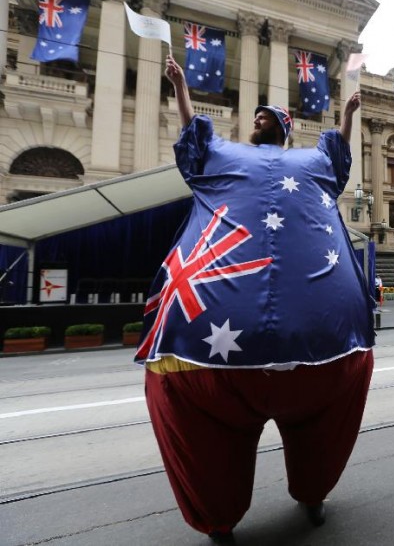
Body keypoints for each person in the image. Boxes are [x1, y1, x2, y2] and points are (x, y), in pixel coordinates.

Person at [135, 55, 375, 542]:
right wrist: (180, 88)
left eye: (267, 116)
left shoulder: (311, 161)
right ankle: (226, 512)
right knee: (299, 420)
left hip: (236, 348)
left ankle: (307, 493)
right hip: (308, 341)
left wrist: (347, 117)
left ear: (285, 130)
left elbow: (338, 156)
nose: (259, 118)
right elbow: (191, 134)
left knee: (224, 420)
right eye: (257, 115)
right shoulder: (222, 153)